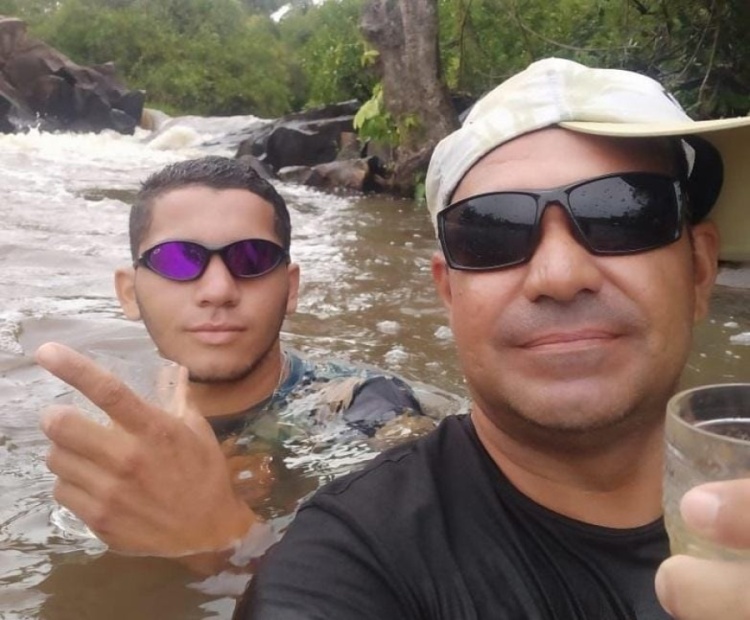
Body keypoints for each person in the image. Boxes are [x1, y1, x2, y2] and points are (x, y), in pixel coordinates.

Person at [239, 57, 750, 619]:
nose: (559, 276)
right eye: (492, 231)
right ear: (450, 296)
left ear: (699, 270)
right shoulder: (348, 562)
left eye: (621, 212)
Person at [36, 155, 440, 576]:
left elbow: (426, 563)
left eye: (252, 259)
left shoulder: (365, 408)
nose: (218, 290)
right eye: (177, 260)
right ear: (129, 293)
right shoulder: (108, 435)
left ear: (290, 288)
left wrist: (224, 540)